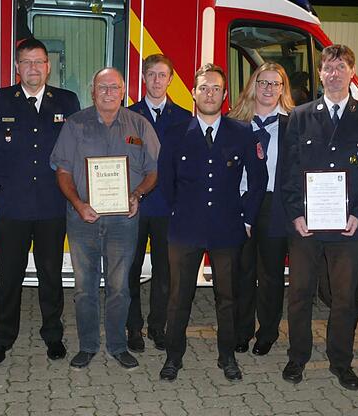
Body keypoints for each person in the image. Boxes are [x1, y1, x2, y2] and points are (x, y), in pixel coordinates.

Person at [280, 45, 358, 390]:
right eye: (329, 67)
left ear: (352, 72)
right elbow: (288, 169)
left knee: (344, 299)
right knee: (299, 295)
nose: (335, 73)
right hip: (306, 227)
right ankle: (298, 357)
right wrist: (296, 213)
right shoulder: (300, 116)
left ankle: (341, 362)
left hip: (348, 228)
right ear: (321, 73)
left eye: (342, 67)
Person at [0, 38, 80, 365]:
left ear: (49, 66)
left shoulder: (66, 100)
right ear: (17, 67)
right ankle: (3, 338)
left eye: (39, 62)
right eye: (26, 62)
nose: (33, 68)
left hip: (52, 206)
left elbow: (77, 153)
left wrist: (78, 199)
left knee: (51, 274)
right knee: (9, 275)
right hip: (11, 206)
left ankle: (53, 335)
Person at [158, 63, 267, 382]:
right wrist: (177, 212)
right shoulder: (176, 133)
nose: (209, 93)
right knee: (179, 297)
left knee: (227, 298)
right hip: (185, 228)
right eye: (203, 87)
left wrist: (247, 218)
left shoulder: (243, 132)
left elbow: (258, 179)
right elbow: (166, 181)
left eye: (215, 88)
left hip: (227, 228)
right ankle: (173, 357)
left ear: (225, 95)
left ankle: (227, 356)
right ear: (193, 93)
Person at [50, 67, 159, 371]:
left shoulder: (140, 125)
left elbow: (152, 172)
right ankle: (87, 346)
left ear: (123, 91)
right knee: (84, 287)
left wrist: (136, 195)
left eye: (114, 87)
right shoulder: (75, 125)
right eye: (102, 87)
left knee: (119, 287)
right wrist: (78, 203)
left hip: (124, 221)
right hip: (83, 219)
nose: (108, 92)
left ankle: (117, 345)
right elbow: (63, 171)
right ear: (92, 90)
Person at [125, 54, 191, 353]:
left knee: (165, 273)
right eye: (150, 74)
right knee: (131, 270)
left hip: (169, 207)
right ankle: (133, 328)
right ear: (143, 78)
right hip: (133, 206)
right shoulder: (127, 115)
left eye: (162, 75)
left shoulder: (184, 118)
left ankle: (157, 326)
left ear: (170, 79)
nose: (156, 81)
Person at [227, 62, 293, 356]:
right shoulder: (234, 122)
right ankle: (240, 331)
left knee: (271, 274)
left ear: (283, 89)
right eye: (262, 82)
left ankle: (267, 332)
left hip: (275, 204)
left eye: (275, 84)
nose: (268, 89)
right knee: (242, 270)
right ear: (253, 86)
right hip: (240, 201)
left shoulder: (294, 123)